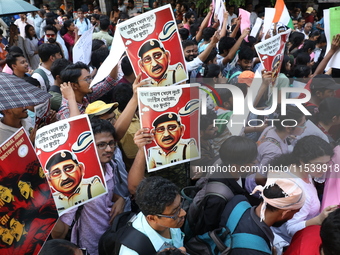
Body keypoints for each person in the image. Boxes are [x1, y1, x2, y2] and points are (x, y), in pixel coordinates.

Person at [51, 119, 129, 255]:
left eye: (111, 143)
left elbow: (106, 193)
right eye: (101, 145)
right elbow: (59, 234)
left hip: (112, 241)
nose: (109, 149)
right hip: (92, 248)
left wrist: (120, 199)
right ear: (89, 147)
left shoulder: (111, 166)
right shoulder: (78, 184)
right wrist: (45, 207)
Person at [269, 136, 338, 252]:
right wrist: (319, 220)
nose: (324, 168)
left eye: (327, 163)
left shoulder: (301, 171)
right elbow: (291, 229)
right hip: (290, 243)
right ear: (302, 160)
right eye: (319, 164)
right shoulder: (295, 190)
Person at [218, 175, 305, 255]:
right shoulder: (256, 251)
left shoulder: (238, 201)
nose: (292, 217)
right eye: (295, 212)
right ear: (285, 213)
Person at [119, 176, 186, 254]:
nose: (183, 213)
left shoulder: (168, 217)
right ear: (152, 218)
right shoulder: (132, 252)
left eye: (180, 206)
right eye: (174, 212)